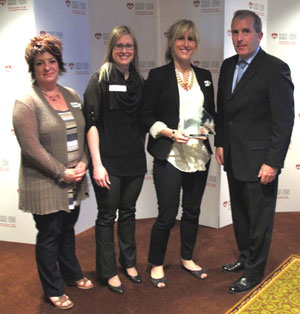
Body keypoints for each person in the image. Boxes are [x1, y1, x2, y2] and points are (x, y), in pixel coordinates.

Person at [215, 10, 294, 294]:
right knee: (241, 216)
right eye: (235, 32)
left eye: (245, 32)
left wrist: (273, 162)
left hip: (261, 161)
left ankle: (254, 272)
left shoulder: (275, 68)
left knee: (260, 221)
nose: (239, 38)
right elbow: (223, 112)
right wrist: (220, 142)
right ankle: (246, 257)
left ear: (259, 35)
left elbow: (283, 122)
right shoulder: (226, 67)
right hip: (234, 158)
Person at [12, 34, 93, 310]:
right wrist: (62, 172)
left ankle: (71, 274)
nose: (47, 67)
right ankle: (53, 288)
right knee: (49, 236)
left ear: (59, 63)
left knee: (68, 230)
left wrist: (84, 162)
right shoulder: (27, 102)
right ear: (32, 68)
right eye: (39, 63)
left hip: (74, 180)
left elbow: (83, 134)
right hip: (46, 183)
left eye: (51, 61)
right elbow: (31, 148)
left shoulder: (71, 95)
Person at [140, 19, 216, 288]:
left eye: (191, 39)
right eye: (180, 39)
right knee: (167, 215)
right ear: (171, 42)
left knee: (193, 211)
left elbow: (211, 114)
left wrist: (209, 127)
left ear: (195, 44)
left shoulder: (205, 76)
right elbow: (145, 116)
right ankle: (157, 263)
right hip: (170, 154)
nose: (186, 44)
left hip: (198, 154)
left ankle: (187, 258)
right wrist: (169, 132)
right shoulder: (158, 76)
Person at [83, 25, 146, 295]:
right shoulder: (100, 79)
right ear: (111, 48)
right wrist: (97, 164)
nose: (124, 50)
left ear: (134, 50)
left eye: (128, 46)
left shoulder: (139, 81)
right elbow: (92, 124)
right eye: (119, 46)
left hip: (134, 160)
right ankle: (108, 271)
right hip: (107, 163)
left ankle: (129, 263)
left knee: (129, 213)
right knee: (107, 216)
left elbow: (142, 123)